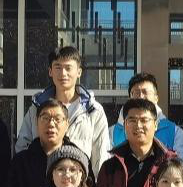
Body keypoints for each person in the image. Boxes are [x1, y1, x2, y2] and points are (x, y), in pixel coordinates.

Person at [14, 46, 112, 174]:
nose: (63, 73)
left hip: (77, 181)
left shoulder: (93, 111)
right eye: (58, 67)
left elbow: (101, 156)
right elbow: (22, 145)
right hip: (40, 182)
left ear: (79, 72)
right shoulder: (37, 107)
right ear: (50, 71)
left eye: (68, 68)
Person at [6, 101, 72, 187]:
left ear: (67, 124)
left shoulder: (77, 161)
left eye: (57, 119)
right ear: (36, 123)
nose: (51, 124)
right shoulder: (21, 162)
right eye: (45, 118)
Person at [111, 72, 183, 166]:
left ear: (156, 98)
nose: (141, 97)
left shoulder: (175, 133)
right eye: (136, 92)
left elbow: (182, 169)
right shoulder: (112, 133)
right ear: (130, 98)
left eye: (145, 92)